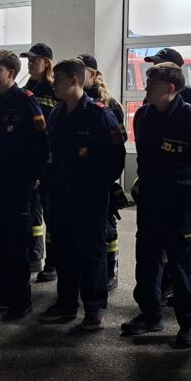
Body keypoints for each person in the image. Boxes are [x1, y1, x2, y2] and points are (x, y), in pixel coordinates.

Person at [121, 62, 191, 347]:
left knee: (182, 262)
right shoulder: (144, 115)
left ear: (171, 88)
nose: (146, 88)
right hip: (151, 197)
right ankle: (150, 314)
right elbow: (144, 156)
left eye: (153, 84)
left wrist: (179, 179)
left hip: (180, 200)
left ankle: (188, 323)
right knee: (147, 258)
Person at [41, 58, 126, 330]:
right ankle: (66, 303)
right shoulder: (57, 114)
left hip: (90, 195)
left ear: (74, 80)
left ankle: (94, 307)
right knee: (64, 249)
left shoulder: (99, 115)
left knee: (91, 252)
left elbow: (116, 158)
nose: (54, 84)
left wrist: (96, 184)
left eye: (58, 79)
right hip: (61, 194)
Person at [0, 50, 48, 319]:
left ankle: (21, 299)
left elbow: (41, 141)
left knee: (17, 241)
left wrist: (34, 175)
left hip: (19, 181)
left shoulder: (26, 100)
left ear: (11, 72)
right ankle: (1, 292)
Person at [79, 53, 128, 291]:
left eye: (82, 71)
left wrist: (108, 176)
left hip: (101, 175)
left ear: (94, 74)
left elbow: (119, 142)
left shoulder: (110, 105)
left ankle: (110, 269)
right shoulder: (72, 102)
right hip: (79, 177)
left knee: (106, 227)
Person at [21, 42, 59, 281]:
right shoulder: (28, 89)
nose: (30, 63)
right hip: (30, 162)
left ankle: (53, 264)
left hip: (51, 164)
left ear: (46, 62)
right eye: (28, 60)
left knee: (51, 216)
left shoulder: (54, 90)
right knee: (31, 213)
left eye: (34, 59)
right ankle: (34, 256)